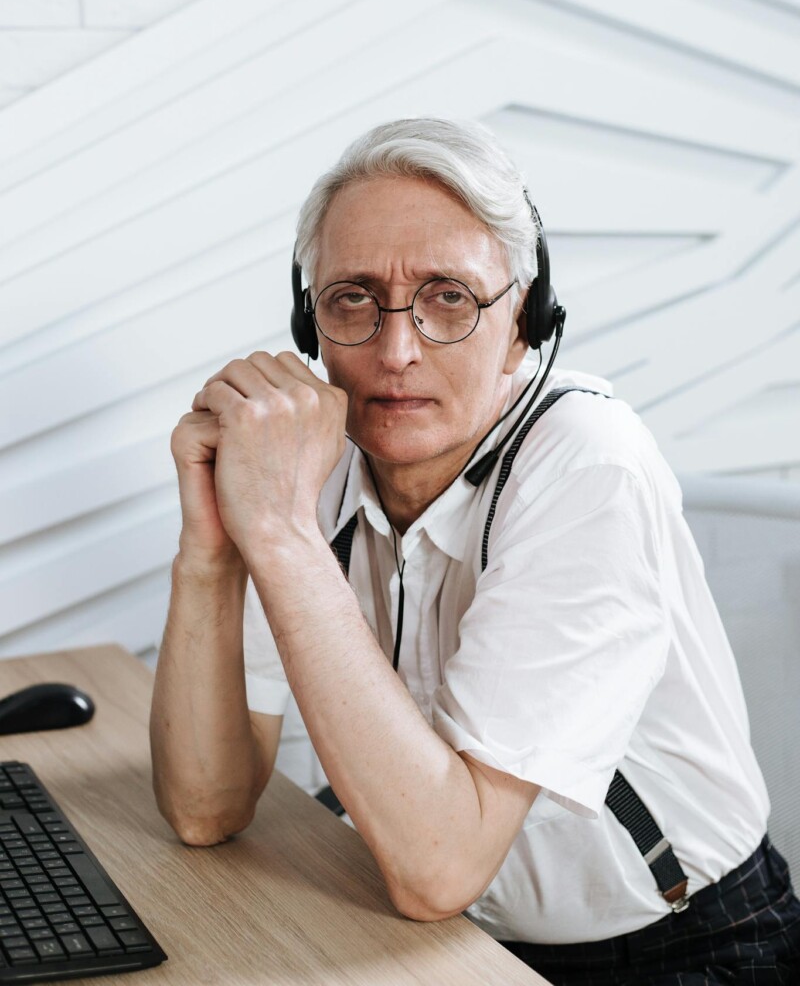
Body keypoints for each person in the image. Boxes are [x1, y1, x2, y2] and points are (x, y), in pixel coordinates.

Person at [150, 117, 800, 985]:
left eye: (448, 296)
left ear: (526, 323)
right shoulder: (316, 454)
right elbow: (206, 806)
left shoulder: (587, 464)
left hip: (683, 952)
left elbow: (439, 866)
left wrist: (279, 534)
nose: (396, 350)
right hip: (448, 943)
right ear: (311, 323)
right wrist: (212, 551)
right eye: (353, 297)